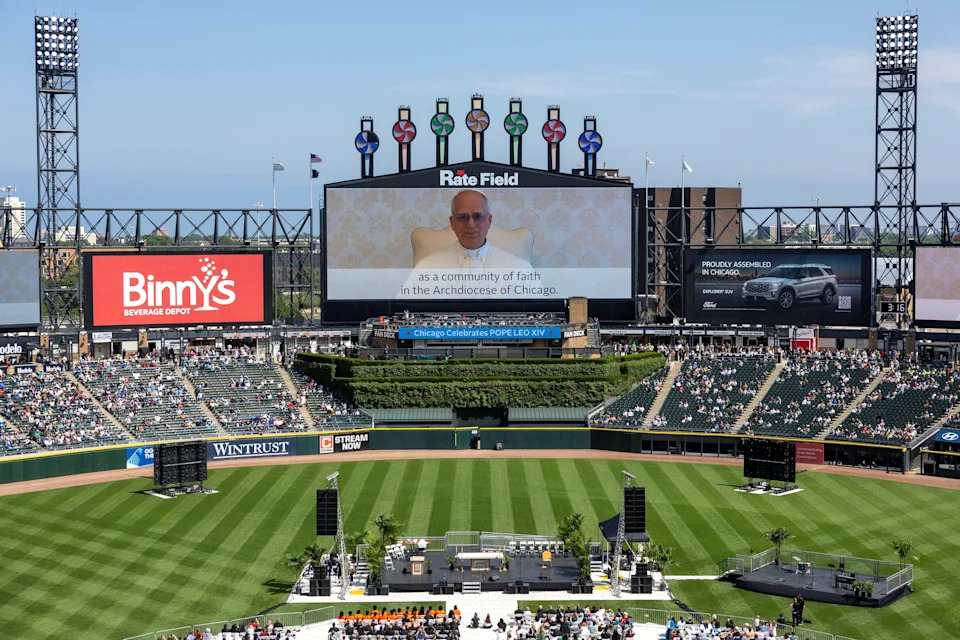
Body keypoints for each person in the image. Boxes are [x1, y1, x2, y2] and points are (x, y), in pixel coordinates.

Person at [413, 189, 534, 270]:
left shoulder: (519, 268)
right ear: (452, 223)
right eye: (463, 217)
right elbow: (406, 308)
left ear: (489, 221)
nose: (471, 224)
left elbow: (538, 309)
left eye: (478, 216)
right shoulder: (427, 267)